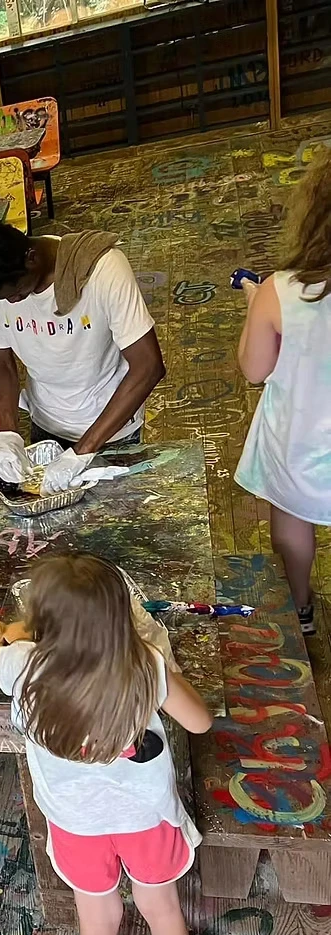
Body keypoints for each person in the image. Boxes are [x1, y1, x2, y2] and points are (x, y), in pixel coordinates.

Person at [0, 554, 212, 935]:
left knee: (97, 915)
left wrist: (21, 631)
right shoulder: (144, 664)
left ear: (41, 619)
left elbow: (11, 641)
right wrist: (163, 672)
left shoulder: (19, 666)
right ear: (120, 618)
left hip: (76, 822)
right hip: (146, 818)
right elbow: (200, 723)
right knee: (162, 908)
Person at [0, 216, 166, 493]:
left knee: (115, 524)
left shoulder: (102, 270)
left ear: (31, 258)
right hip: (45, 425)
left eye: (16, 293)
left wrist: (81, 452)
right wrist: (8, 433)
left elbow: (149, 367)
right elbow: (2, 361)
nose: (12, 302)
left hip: (111, 429)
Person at [234, 151, 331, 636]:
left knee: (292, 525)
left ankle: (301, 608)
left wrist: (256, 304)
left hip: (299, 443)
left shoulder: (280, 289)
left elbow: (254, 370)